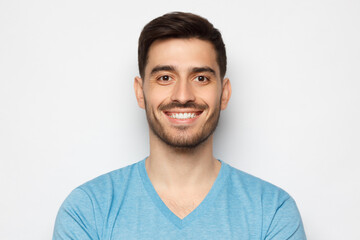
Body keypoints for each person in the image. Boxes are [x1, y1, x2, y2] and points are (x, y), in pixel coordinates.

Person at [53, 12, 306, 239]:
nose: (183, 95)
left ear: (224, 93)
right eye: (165, 77)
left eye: (200, 78)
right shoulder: (88, 210)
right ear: (140, 93)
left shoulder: (271, 210)